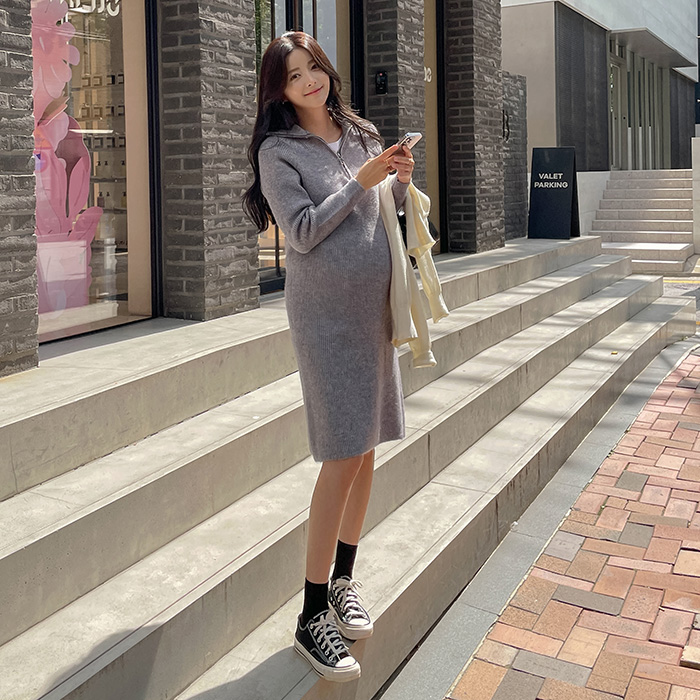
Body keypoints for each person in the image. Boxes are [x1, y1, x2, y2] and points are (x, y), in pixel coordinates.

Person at [243, 31, 415, 683]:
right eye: (294, 75)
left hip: (375, 312)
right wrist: (361, 181)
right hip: (325, 320)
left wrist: (398, 182)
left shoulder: (362, 133)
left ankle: (343, 580)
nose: (309, 80)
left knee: (367, 448)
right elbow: (304, 232)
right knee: (342, 452)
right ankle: (310, 613)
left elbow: (385, 215)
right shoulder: (278, 151)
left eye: (313, 67)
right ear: (279, 90)